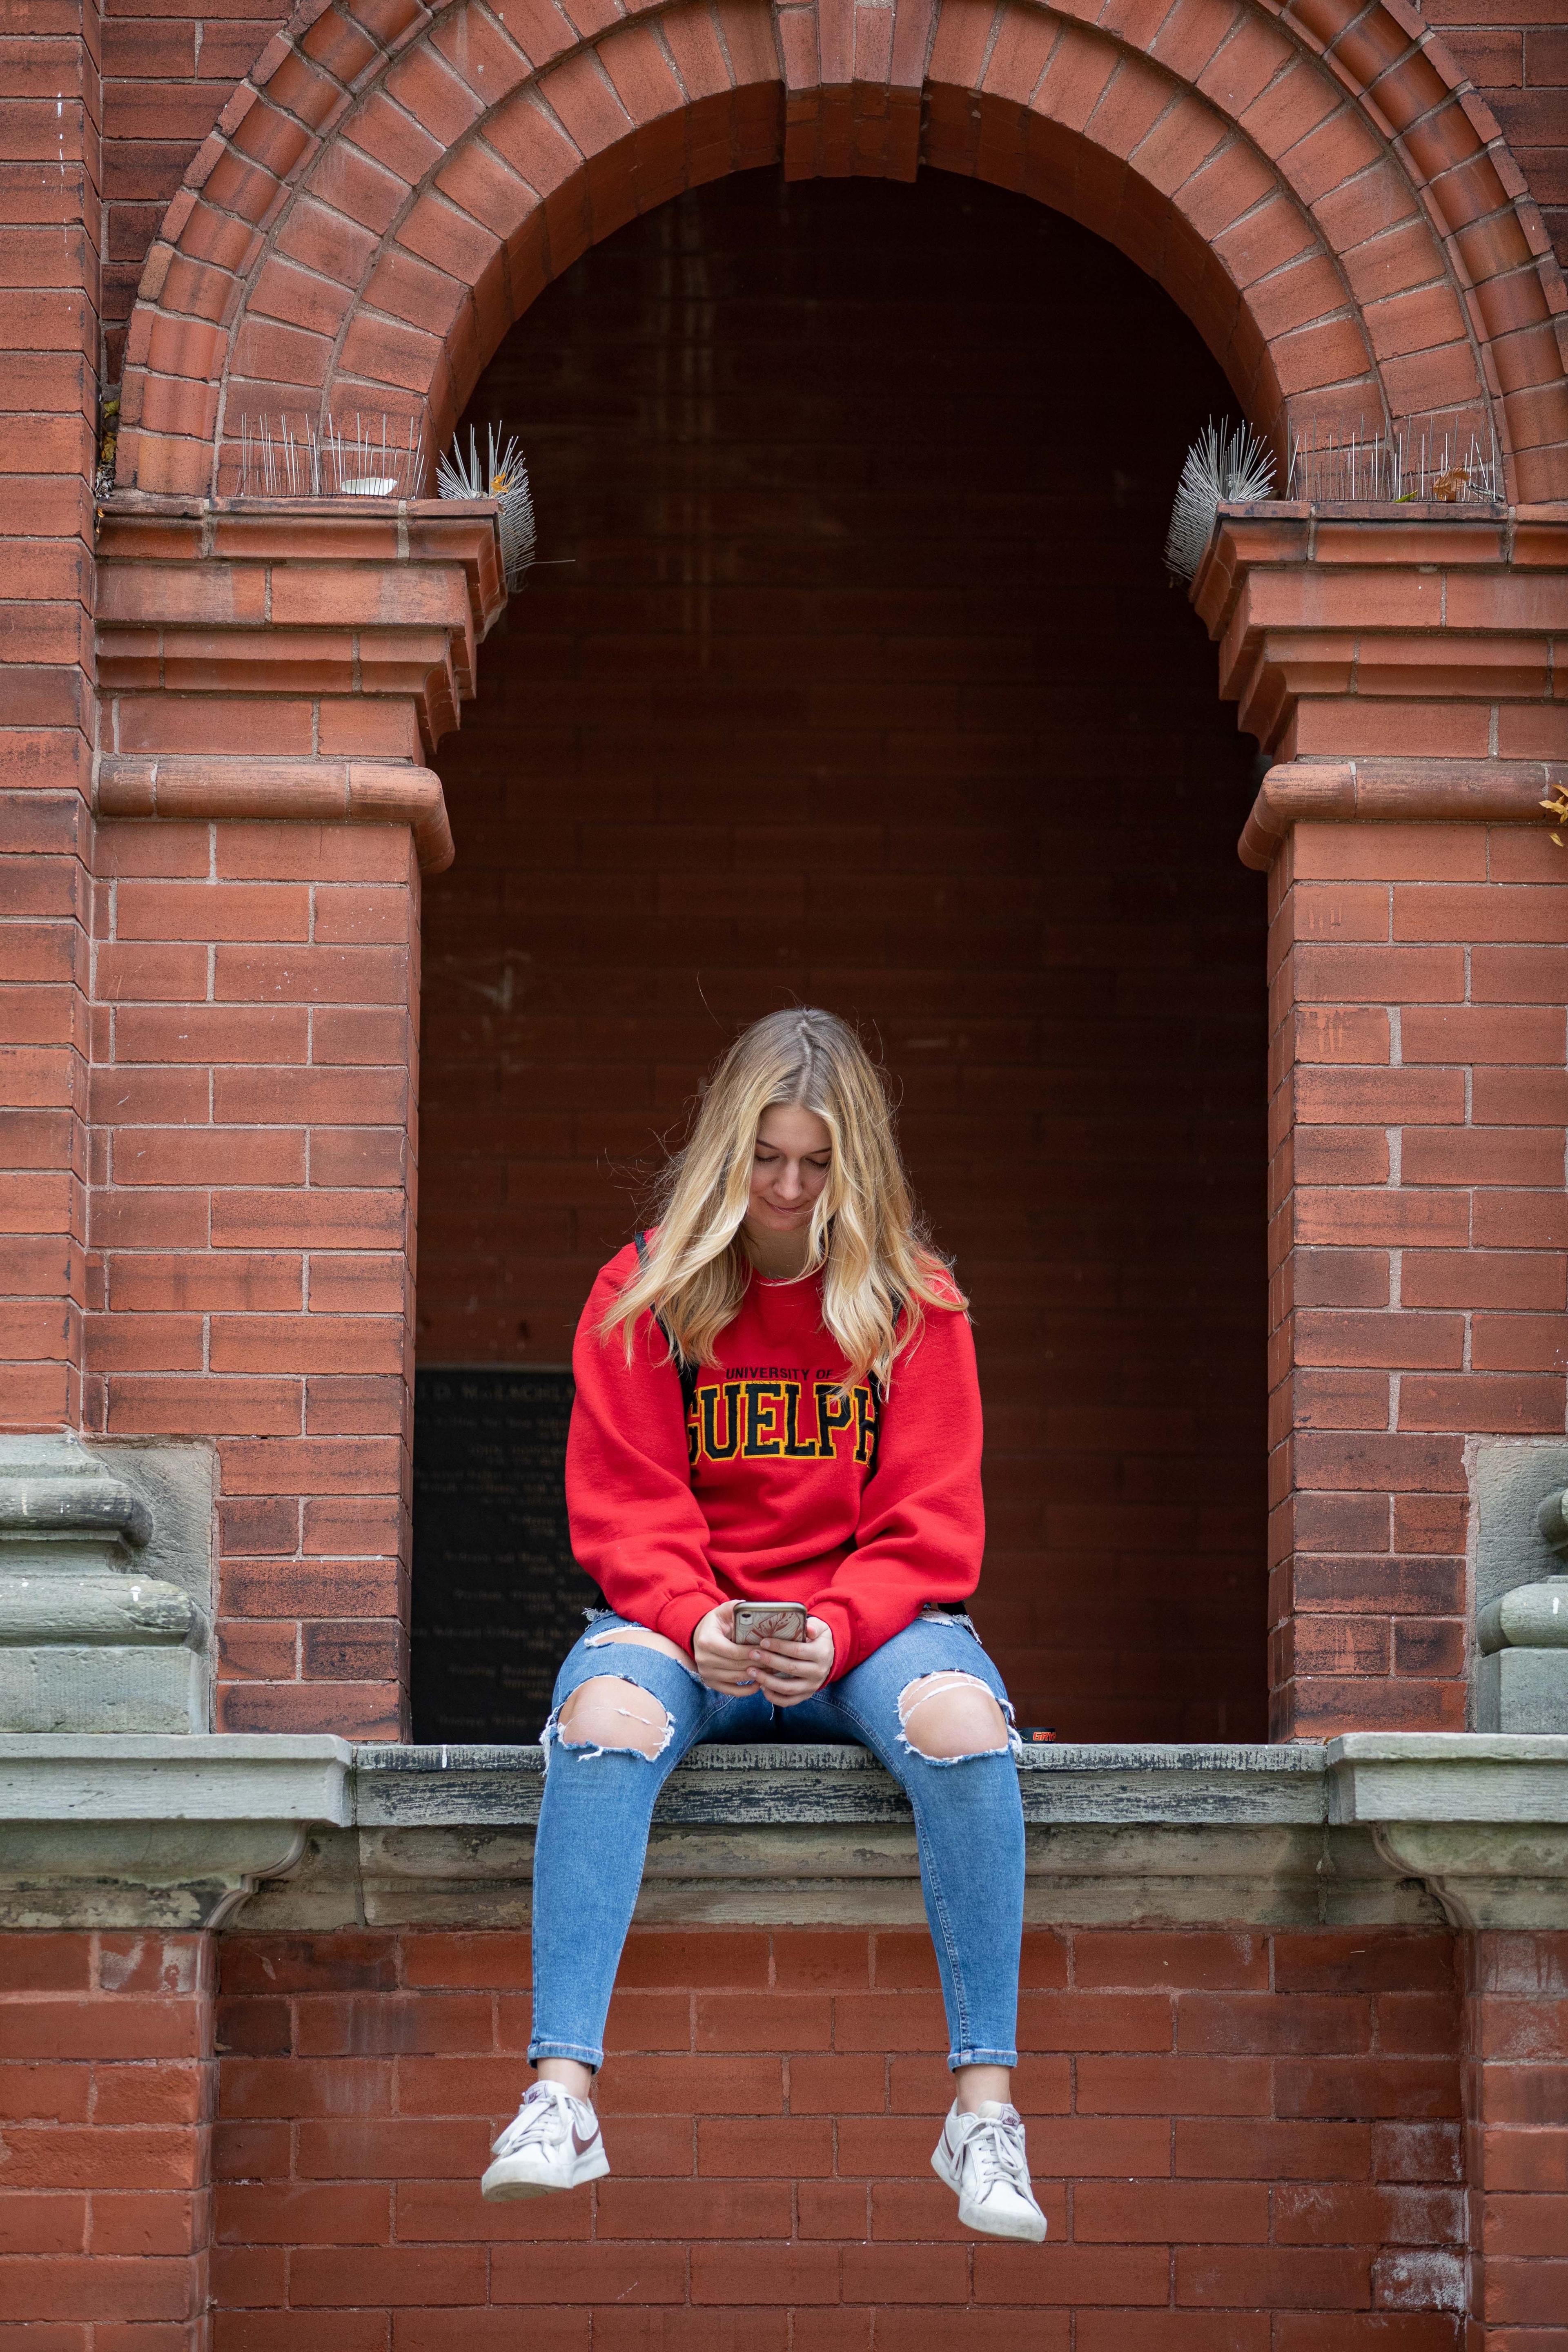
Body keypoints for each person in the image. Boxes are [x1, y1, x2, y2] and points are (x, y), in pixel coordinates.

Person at [480, 1008, 1045, 2242]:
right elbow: (626, 1503)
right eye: (767, 1158)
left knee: (963, 1731)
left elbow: (930, 1522)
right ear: (727, 1149)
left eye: (818, 1163)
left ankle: (983, 2113)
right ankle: (561, 2093)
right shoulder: (646, 1290)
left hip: (868, 1631)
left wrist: (837, 1631)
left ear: (860, 1166)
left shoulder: (916, 1305)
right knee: (603, 1719)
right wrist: (694, 1622)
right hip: (693, 1628)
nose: (789, 1190)